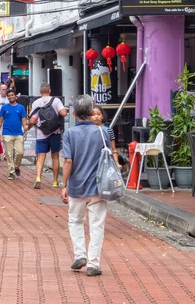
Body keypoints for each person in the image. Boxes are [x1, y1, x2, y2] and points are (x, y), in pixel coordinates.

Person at [61, 94, 109, 277]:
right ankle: (93, 264)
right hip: (98, 187)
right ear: (90, 112)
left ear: (74, 113)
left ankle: (80, 254)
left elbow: (67, 161)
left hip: (76, 186)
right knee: (97, 225)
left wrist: (63, 185)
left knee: (75, 221)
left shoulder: (70, 133)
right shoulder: (102, 132)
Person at [28, 83, 68, 189]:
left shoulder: (36, 103)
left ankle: (38, 178)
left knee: (41, 156)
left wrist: (28, 128)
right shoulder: (56, 101)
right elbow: (64, 113)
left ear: (40, 92)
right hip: (55, 132)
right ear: (50, 91)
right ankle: (55, 182)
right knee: (55, 156)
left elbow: (32, 120)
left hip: (41, 133)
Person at [0, 89, 28, 180]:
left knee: (20, 152)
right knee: (9, 154)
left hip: (18, 133)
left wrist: (25, 132)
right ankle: (11, 172)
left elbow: (24, 121)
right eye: (9, 95)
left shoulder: (21, 107)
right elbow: (0, 121)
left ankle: (16, 166)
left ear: (15, 96)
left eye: (12, 95)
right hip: (7, 133)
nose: (10, 97)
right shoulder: (4, 108)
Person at [92, 105, 122, 170]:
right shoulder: (88, 131)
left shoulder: (108, 130)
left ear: (102, 116)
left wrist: (116, 163)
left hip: (106, 163)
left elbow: (113, 149)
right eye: (93, 114)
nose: (96, 116)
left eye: (98, 114)